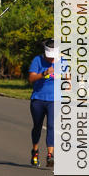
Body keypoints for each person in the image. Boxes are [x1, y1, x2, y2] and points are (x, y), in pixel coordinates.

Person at [28, 39, 58, 168]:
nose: (51, 59)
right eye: (49, 56)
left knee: (51, 126)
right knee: (37, 127)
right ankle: (35, 151)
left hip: (54, 100)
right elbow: (31, 78)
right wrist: (44, 73)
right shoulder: (37, 60)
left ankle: (50, 155)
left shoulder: (62, 61)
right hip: (38, 99)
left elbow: (67, 77)